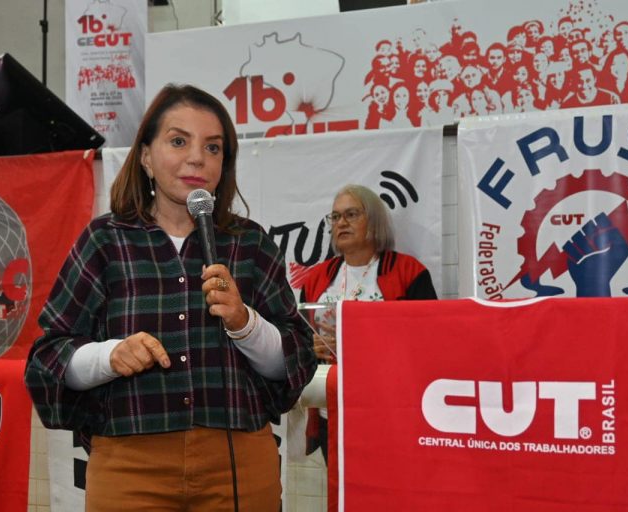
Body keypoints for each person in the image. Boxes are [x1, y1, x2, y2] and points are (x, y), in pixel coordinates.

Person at [24, 84, 317, 511]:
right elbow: (48, 358)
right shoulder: (105, 241)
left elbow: (296, 360)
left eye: (213, 147)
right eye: (178, 141)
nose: (197, 157)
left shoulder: (248, 244)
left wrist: (245, 323)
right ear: (145, 156)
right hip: (130, 464)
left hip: (237, 461)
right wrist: (109, 357)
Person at [298, 184, 437, 463]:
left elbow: (429, 342)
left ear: (374, 222)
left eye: (351, 214)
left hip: (389, 406)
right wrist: (308, 345)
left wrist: (358, 342)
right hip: (331, 409)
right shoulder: (316, 278)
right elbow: (299, 337)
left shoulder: (409, 272)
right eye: (335, 217)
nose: (341, 223)